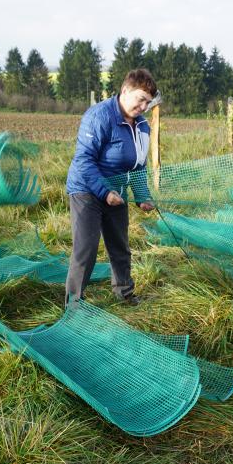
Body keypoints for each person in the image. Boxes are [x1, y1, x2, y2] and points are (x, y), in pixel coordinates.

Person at [64, 68, 157, 305]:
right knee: (86, 249)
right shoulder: (99, 116)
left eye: (148, 102)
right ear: (125, 91)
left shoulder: (142, 126)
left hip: (117, 192)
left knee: (120, 246)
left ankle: (124, 293)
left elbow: (138, 165)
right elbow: (83, 160)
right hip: (86, 189)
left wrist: (142, 195)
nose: (144, 107)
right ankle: (74, 304)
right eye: (141, 99)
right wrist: (104, 193)